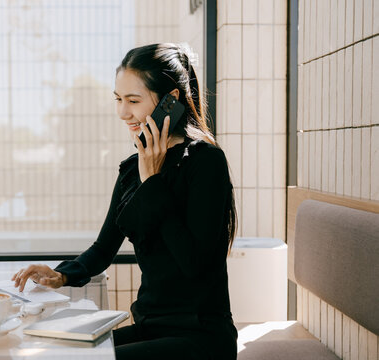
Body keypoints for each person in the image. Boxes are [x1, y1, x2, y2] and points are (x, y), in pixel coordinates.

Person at [12, 43, 238, 360]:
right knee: (53, 353)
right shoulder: (133, 168)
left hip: (200, 337)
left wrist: (154, 181)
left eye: (133, 101)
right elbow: (104, 248)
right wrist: (61, 275)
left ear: (170, 101)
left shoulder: (206, 162)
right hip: (151, 328)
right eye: (118, 100)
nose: (123, 112)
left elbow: (194, 264)